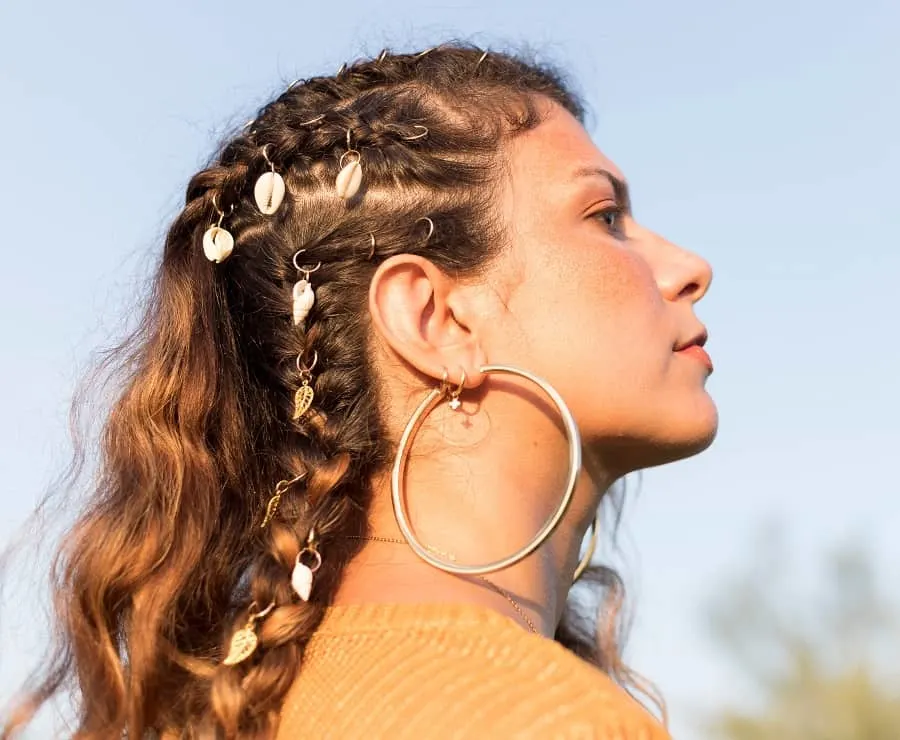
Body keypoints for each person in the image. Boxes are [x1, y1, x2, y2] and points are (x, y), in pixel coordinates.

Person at [2, 44, 716, 739]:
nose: (690, 268)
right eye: (606, 218)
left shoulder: (234, 704)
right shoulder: (558, 723)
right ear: (436, 321)